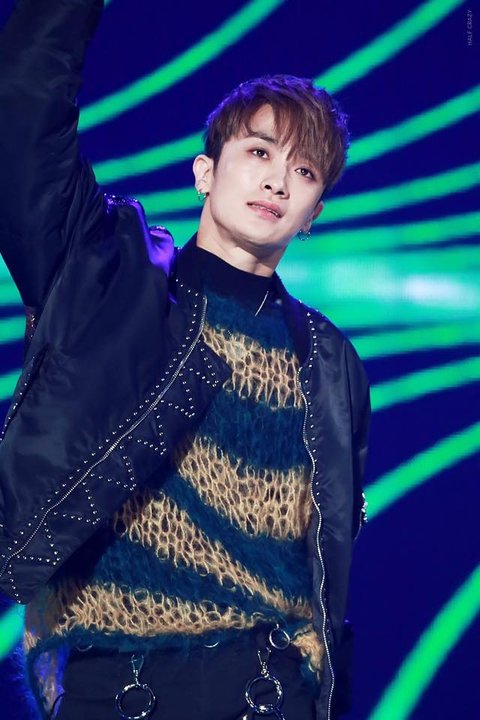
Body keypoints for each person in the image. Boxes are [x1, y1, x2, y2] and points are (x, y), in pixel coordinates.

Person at [0, 1, 370, 719]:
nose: (278, 181)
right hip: (115, 688)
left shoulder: (330, 362)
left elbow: (327, 558)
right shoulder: (105, 278)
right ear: (206, 171)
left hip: (268, 693)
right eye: (259, 152)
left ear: (314, 213)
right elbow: (20, 111)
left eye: (304, 170)